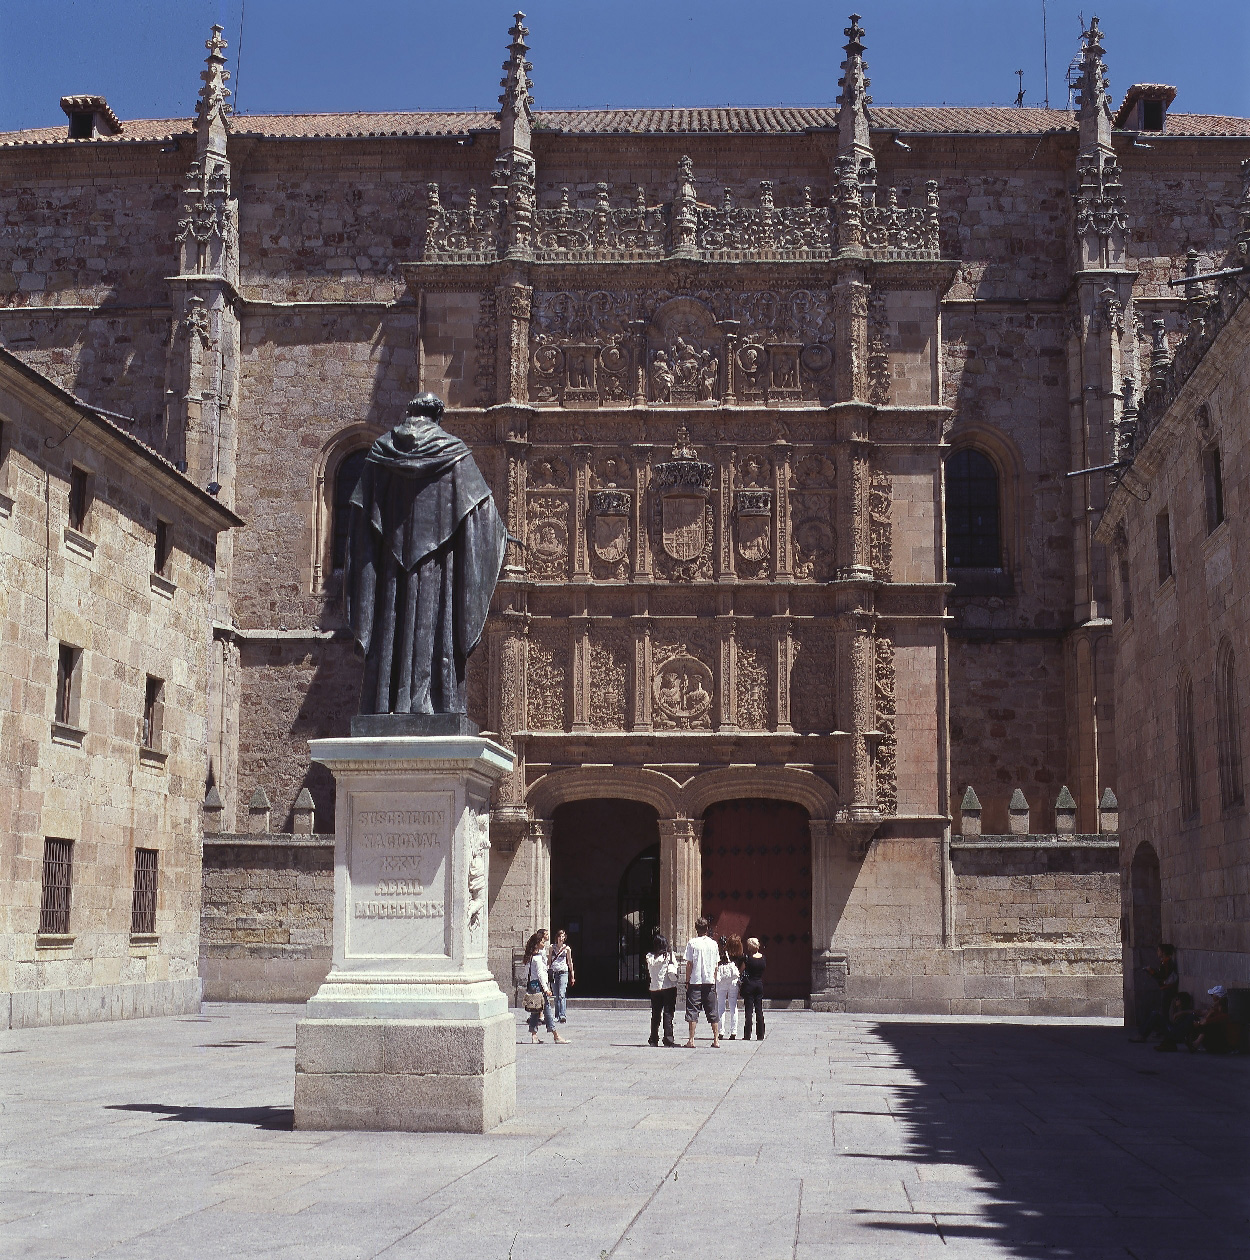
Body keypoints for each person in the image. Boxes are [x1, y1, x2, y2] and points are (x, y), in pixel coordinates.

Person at [523, 929, 566, 1044]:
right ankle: (555, 1035)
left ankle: (534, 1035)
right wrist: (546, 989)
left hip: (532, 985)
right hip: (540, 986)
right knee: (547, 1010)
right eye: (542, 942)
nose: (543, 944)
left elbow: (525, 973)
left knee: (535, 1011)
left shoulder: (528, 958)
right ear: (537, 943)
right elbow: (541, 975)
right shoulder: (537, 958)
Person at [684, 916, 721, 1047]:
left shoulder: (692, 943)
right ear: (707, 928)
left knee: (693, 1010)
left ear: (696, 929)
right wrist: (714, 979)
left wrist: (687, 981)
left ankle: (691, 1040)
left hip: (695, 980)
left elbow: (689, 964)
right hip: (709, 981)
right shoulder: (713, 944)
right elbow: (716, 965)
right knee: (712, 1010)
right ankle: (716, 1039)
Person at [1131, 943, 1178, 1042]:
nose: (1157, 952)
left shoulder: (1167, 963)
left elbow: (1162, 976)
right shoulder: (1164, 962)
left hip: (1167, 990)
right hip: (1166, 989)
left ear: (1163, 952)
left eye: (1159, 950)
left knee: (1163, 1012)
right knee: (1162, 1012)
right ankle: (1162, 1031)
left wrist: (1151, 971)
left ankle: (1164, 1031)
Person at [646, 932, 680, 1047]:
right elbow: (675, 967)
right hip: (668, 987)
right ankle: (668, 1038)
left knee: (655, 1014)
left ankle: (653, 1039)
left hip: (654, 988)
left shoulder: (649, 957)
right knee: (668, 1013)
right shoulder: (668, 956)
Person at [1193, 986, 1234, 1054]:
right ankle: (1195, 1042)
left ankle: (1196, 1043)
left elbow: (1205, 1021)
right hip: (1216, 1043)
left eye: (1212, 995)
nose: (1211, 997)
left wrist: (1199, 1022)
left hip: (1224, 1045)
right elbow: (1203, 1017)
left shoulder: (1224, 1015)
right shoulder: (1216, 1012)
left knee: (1209, 1025)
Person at [715, 936, 741, 1041]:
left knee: (721, 1006)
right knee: (733, 1006)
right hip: (733, 980)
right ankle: (734, 1031)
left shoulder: (720, 953)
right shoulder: (738, 953)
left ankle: (721, 1031)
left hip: (722, 981)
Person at [741, 937, 766, 1041]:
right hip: (759, 984)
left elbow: (741, 970)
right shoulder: (763, 958)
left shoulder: (748, 959)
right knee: (759, 1010)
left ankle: (747, 1034)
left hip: (749, 984)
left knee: (749, 1010)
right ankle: (760, 1034)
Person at [549, 929, 575, 1023]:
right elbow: (549, 960)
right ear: (557, 937)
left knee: (561, 994)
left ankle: (562, 1015)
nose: (561, 938)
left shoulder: (567, 949)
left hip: (563, 972)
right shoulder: (551, 947)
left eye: (563, 936)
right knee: (556, 996)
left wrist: (572, 975)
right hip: (554, 972)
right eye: (559, 936)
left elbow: (570, 962)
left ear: (564, 938)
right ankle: (557, 1015)